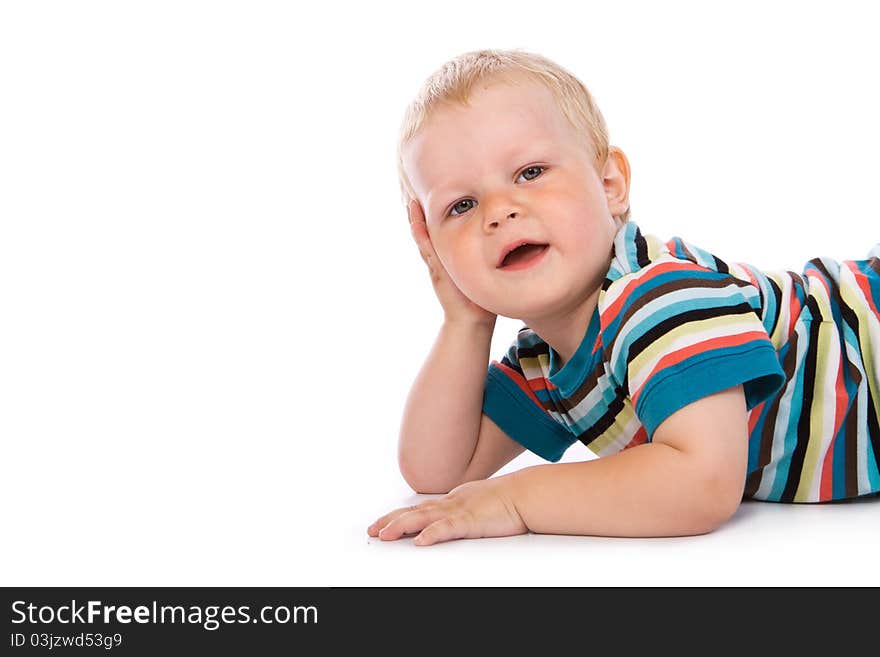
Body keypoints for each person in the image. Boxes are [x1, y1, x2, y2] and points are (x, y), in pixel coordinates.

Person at [366, 48, 880, 547]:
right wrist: (465, 322)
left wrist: (514, 500)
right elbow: (439, 470)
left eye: (530, 173)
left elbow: (703, 482)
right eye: (461, 205)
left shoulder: (658, 295)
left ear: (610, 184)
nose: (498, 213)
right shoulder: (544, 360)